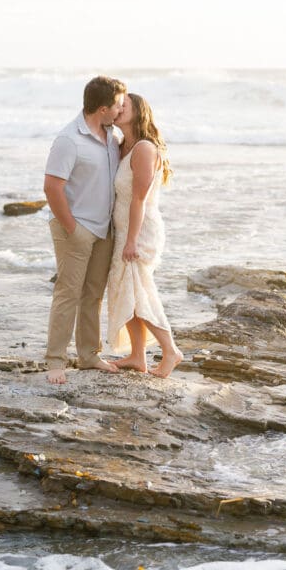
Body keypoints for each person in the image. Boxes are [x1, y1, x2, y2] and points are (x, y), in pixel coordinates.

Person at [43, 75, 126, 384]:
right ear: (102, 108)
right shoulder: (69, 139)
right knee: (68, 293)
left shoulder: (112, 136)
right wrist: (71, 227)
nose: (121, 109)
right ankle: (55, 361)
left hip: (104, 228)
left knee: (93, 295)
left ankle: (89, 355)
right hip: (75, 226)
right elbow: (52, 187)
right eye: (118, 104)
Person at [106, 92, 183, 378]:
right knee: (127, 291)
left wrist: (131, 241)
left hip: (140, 230)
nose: (118, 109)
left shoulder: (144, 149)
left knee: (140, 292)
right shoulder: (120, 145)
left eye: (124, 105)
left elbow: (139, 199)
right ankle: (138, 356)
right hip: (125, 229)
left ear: (139, 111)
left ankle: (171, 350)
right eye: (117, 105)